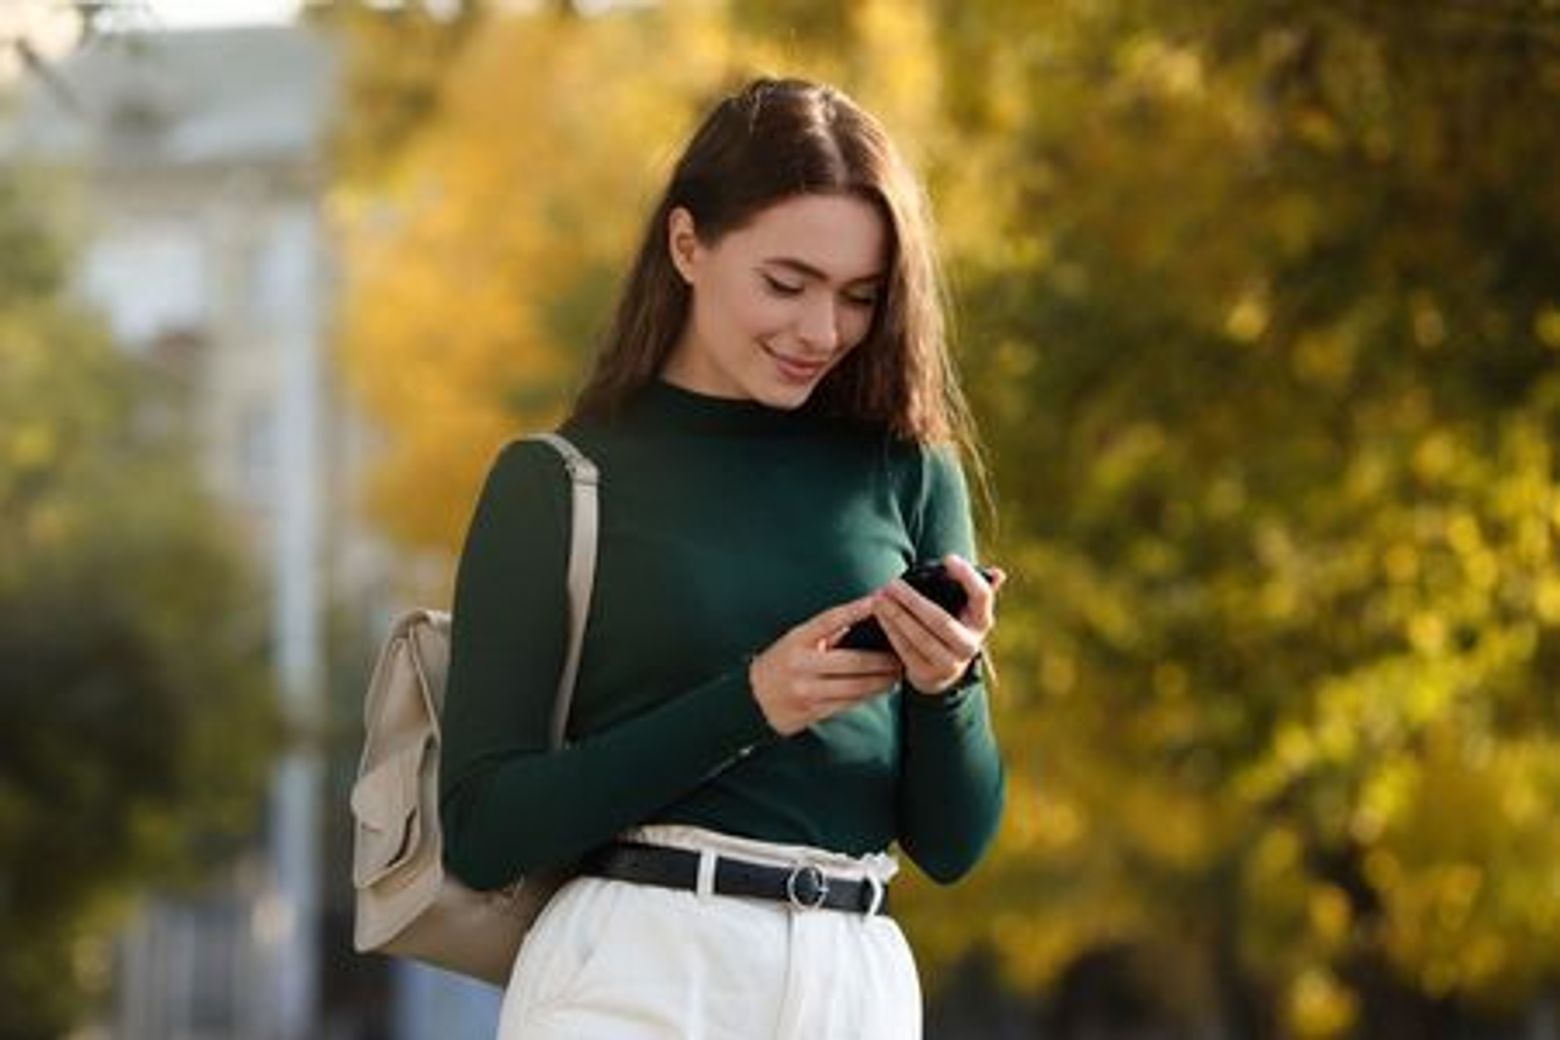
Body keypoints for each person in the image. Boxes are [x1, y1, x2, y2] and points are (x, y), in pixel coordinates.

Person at [438, 76, 1008, 1038]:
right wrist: (752, 703)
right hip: (638, 974)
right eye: (785, 284)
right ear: (687, 245)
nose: (821, 332)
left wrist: (947, 687)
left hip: (854, 981)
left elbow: (954, 847)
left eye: (859, 297)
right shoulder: (559, 482)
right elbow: (484, 831)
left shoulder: (910, 472)